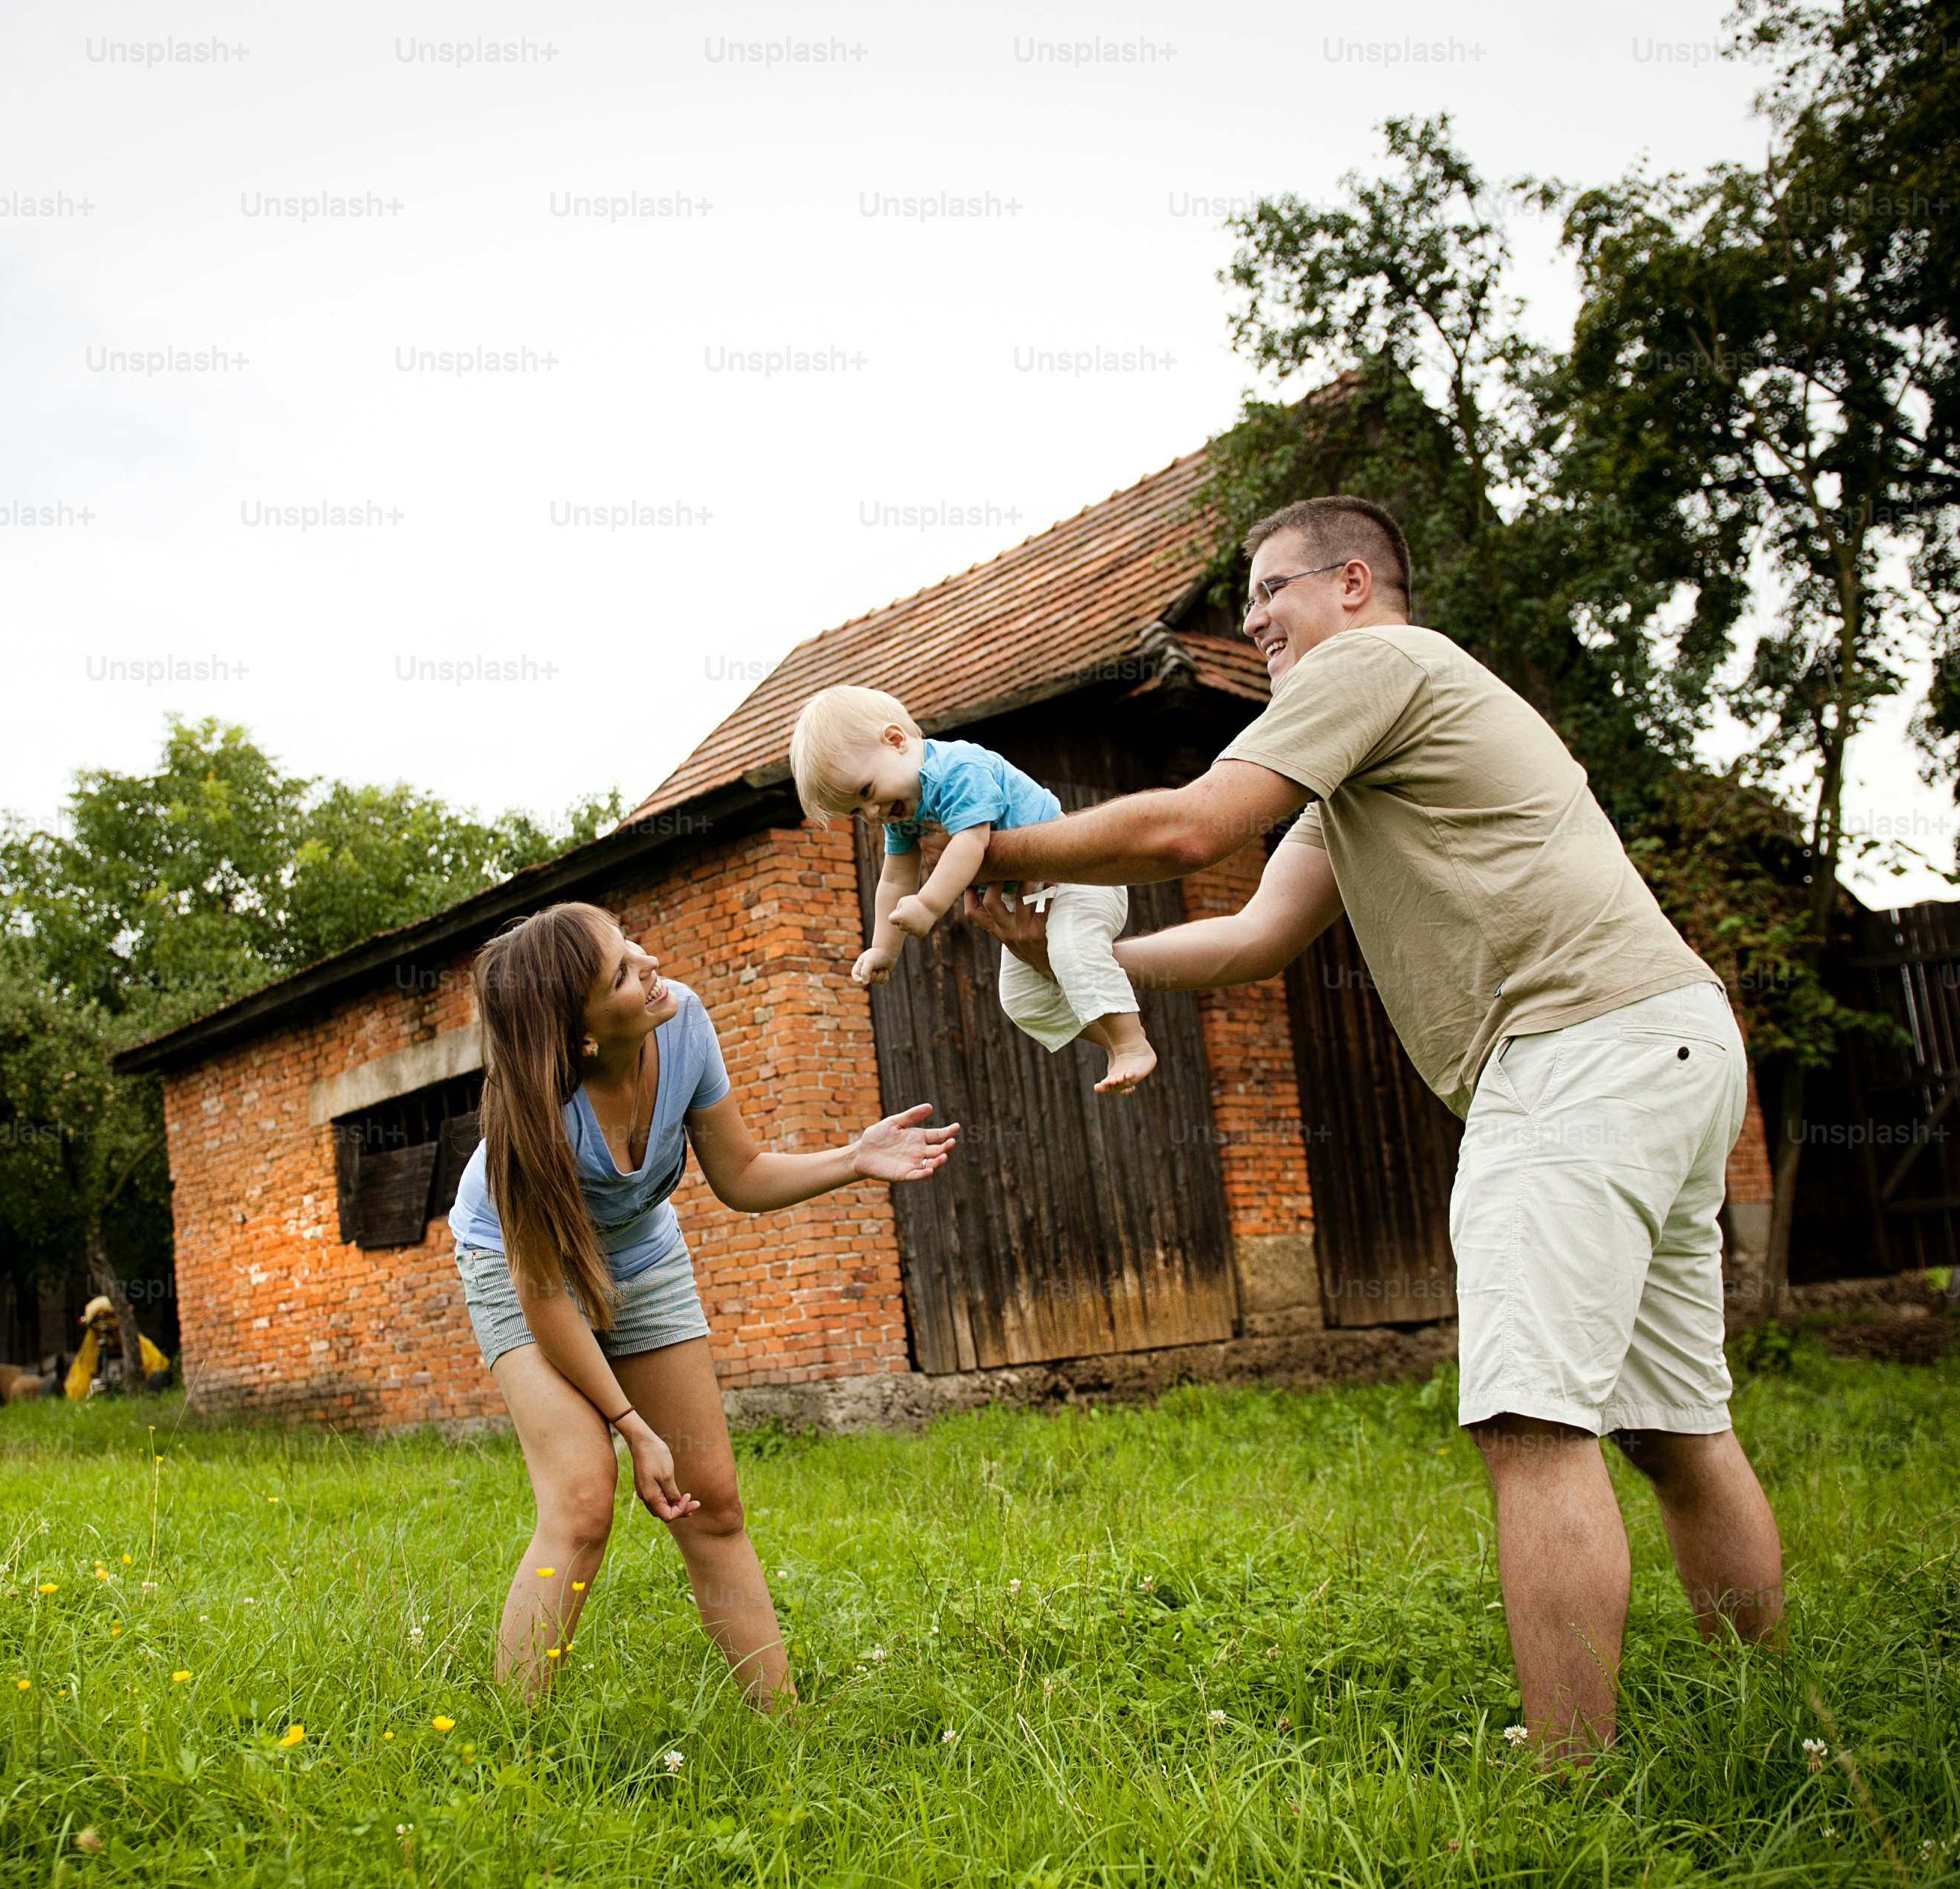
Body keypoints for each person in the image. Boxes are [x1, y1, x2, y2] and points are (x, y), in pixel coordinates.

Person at [964, 495, 1785, 1758]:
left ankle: (1573, 1788)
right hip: (1663, 1042)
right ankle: (1771, 1712)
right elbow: (1251, 935)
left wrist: (985, 840)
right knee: (1673, 1425)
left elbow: (1188, 824)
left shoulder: (1378, 663)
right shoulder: (1377, 744)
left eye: (1269, 594)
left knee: (1530, 1424)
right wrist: (1080, 957)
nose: (1252, 624)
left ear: (1352, 584)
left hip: (1573, 1056)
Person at [447, 901, 958, 1710]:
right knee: (582, 1500)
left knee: (710, 1499)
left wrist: (853, 1159)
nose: (650, 964)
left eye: (630, 944)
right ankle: (517, 1731)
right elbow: (545, 1297)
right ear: (581, 1038)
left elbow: (741, 1176)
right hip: (521, 1277)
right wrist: (632, 1428)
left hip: (641, 1255)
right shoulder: (533, 1127)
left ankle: (780, 1727)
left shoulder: (679, 1022)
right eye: (622, 971)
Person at [787, 682, 1156, 1094]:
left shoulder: (959, 769)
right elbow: (893, 877)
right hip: (1031, 899)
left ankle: (1132, 1043)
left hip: (1079, 880)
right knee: (1021, 1001)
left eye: (867, 792)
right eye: (857, 812)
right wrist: (883, 949)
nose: (872, 813)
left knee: (1072, 952)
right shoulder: (902, 809)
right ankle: (1114, 1041)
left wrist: (928, 905)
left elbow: (971, 841)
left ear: (895, 741)